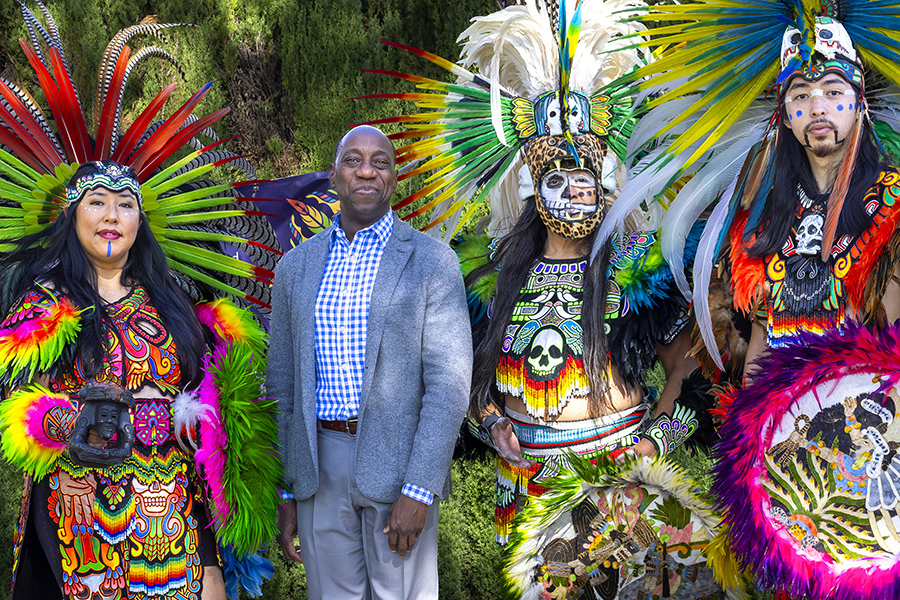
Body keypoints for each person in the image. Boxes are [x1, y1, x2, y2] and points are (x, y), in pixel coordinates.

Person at [359, 3, 725, 599]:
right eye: (560, 180)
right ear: (534, 188)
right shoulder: (490, 281)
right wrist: (495, 425)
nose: (577, 193)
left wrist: (651, 446)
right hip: (528, 498)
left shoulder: (637, 269)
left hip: (625, 491)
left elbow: (690, 369)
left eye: (587, 180)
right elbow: (467, 386)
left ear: (607, 182)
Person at [606, 2, 900, 597]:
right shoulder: (760, 225)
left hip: (875, 438)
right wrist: (755, 445)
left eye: (833, 90)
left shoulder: (891, 205)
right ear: (785, 115)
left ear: (860, 100)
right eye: (802, 94)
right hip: (789, 449)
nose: (818, 107)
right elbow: (763, 343)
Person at [0, 7, 281, 599]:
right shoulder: (42, 310)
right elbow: (17, 413)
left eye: (125, 206)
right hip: (76, 528)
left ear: (140, 224)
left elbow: (214, 437)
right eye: (96, 203)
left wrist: (211, 563)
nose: (111, 216)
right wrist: (113, 417)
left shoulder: (177, 308)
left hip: (170, 533)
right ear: (71, 220)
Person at [268, 124, 472, 600]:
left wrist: (420, 488)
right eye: (353, 160)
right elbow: (282, 386)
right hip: (320, 467)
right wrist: (287, 489)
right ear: (335, 176)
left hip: (399, 466)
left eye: (380, 162)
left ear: (393, 177)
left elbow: (449, 384)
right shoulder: (295, 268)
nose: (366, 170)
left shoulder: (432, 262)